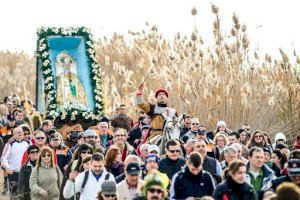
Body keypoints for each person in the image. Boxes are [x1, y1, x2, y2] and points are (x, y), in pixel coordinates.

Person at [1, 127, 29, 199]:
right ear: (13, 135)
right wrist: (7, 168)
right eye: (18, 132)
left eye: (21, 132)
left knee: (26, 194)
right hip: (14, 173)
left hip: (26, 172)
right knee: (14, 195)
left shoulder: (27, 142)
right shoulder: (9, 144)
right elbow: (3, 158)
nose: (20, 133)